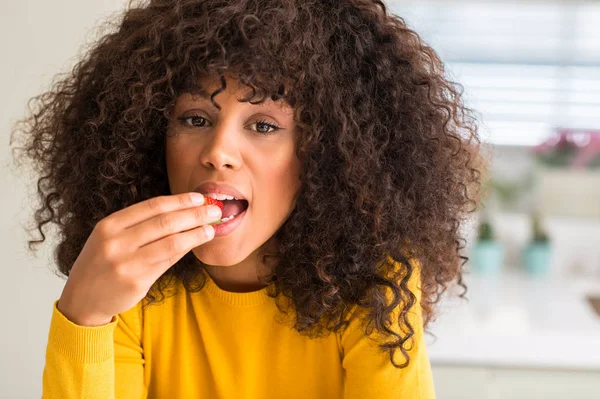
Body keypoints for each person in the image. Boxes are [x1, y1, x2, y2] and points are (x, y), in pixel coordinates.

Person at [10, 0, 483, 398]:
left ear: (326, 155)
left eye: (264, 126)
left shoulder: (374, 286)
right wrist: (84, 316)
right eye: (195, 119)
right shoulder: (134, 286)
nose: (218, 153)